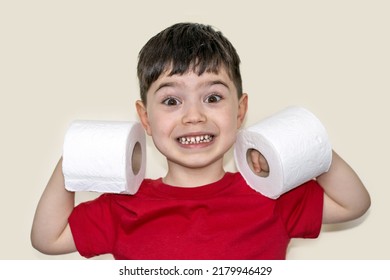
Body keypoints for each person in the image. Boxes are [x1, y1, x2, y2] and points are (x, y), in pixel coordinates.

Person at [31, 22, 370, 259]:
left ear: (240, 112)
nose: (194, 116)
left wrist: (304, 145)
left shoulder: (271, 197)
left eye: (212, 98)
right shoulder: (122, 207)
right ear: (145, 119)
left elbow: (354, 203)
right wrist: (75, 157)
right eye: (171, 101)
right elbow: (48, 239)